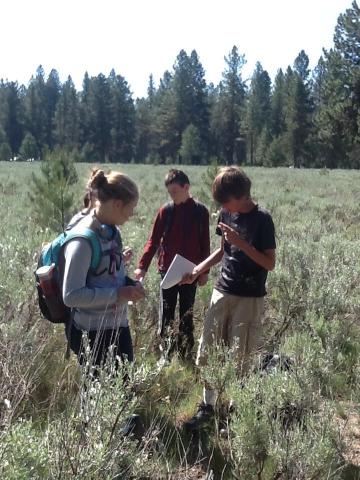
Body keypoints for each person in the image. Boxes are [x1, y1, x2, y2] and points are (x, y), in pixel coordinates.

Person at [182, 166, 276, 429]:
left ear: (241, 196)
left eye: (226, 201)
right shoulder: (226, 212)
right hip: (222, 291)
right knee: (209, 350)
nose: (223, 207)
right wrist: (198, 269)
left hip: (249, 298)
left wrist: (243, 243)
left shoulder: (263, 220)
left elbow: (270, 263)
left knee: (242, 356)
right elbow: (223, 250)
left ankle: (236, 412)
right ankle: (207, 407)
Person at [62, 168, 145, 370]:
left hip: (118, 325)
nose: (132, 214)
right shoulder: (83, 240)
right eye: (131, 207)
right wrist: (118, 293)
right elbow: (71, 296)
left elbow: (111, 274)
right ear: (117, 204)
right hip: (91, 332)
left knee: (122, 390)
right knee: (96, 396)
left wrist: (129, 285)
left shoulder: (112, 231)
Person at [134, 169, 210, 361]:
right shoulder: (166, 211)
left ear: (187, 187)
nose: (172, 196)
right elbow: (153, 241)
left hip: (190, 273)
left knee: (187, 313)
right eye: (170, 192)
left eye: (175, 191)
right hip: (167, 271)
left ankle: (185, 355)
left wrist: (204, 272)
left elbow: (205, 243)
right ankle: (166, 355)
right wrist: (142, 267)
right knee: (166, 314)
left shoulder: (200, 212)